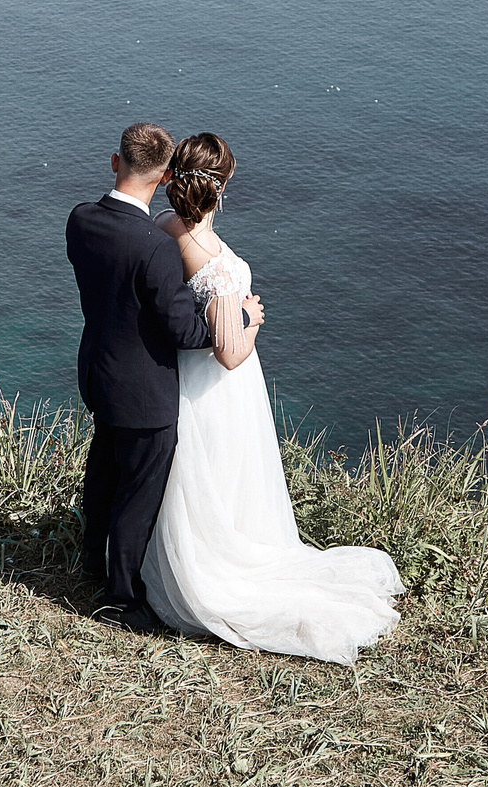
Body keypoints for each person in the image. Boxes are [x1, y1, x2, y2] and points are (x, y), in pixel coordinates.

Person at [143, 132, 404, 666]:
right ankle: (223, 568)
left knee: (198, 484)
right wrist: (251, 317)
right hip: (221, 391)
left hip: (181, 384)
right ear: (222, 187)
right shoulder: (215, 261)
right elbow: (231, 355)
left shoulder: (163, 229)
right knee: (228, 479)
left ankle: (173, 560)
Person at [65, 122, 262, 633]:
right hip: (144, 389)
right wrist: (241, 317)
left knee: (104, 469)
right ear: (166, 174)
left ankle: (91, 558)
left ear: (115, 161)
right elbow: (186, 331)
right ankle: (121, 597)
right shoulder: (153, 246)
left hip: (99, 372)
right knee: (138, 492)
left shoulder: (82, 220)